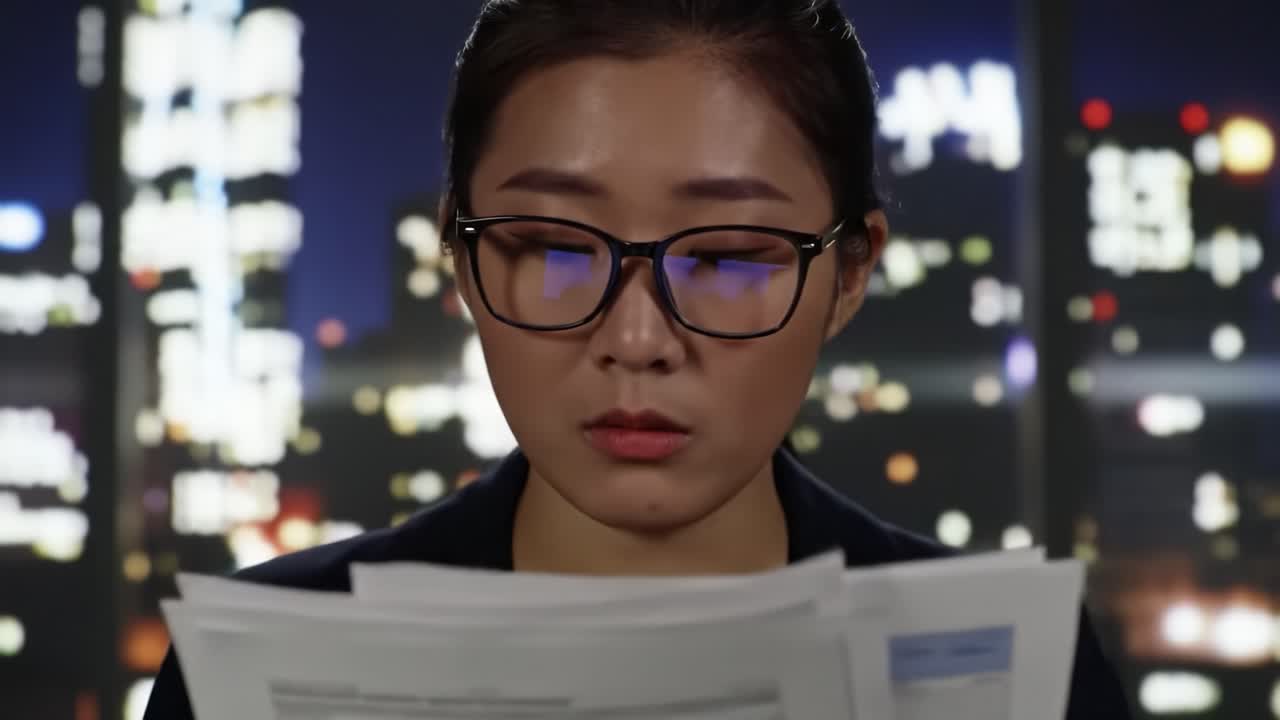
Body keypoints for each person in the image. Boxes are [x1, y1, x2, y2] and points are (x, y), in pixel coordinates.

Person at [145, 1, 1133, 717]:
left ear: (847, 274)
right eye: (554, 248)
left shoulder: (1023, 676)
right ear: (458, 251)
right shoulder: (252, 669)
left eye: (730, 259)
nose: (636, 340)